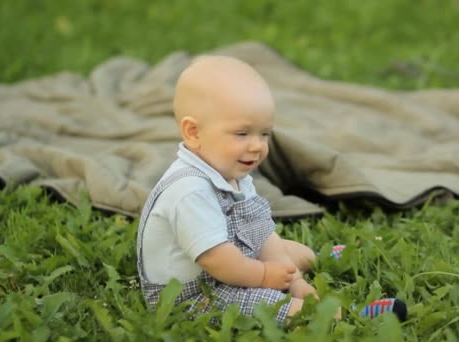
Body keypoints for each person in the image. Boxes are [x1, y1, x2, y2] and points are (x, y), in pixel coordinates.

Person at [136, 55, 406, 325]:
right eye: (242, 134)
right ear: (194, 132)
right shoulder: (189, 191)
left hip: (231, 267)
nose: (257, 146)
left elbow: (261, 232)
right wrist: (265, 277)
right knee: (267, 304)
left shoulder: (232, 173)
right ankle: (345, 316)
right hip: (193, 296)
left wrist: (295, 281)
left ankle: (320, 258)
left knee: (285, 249)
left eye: (264, 134)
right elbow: (217, 261)